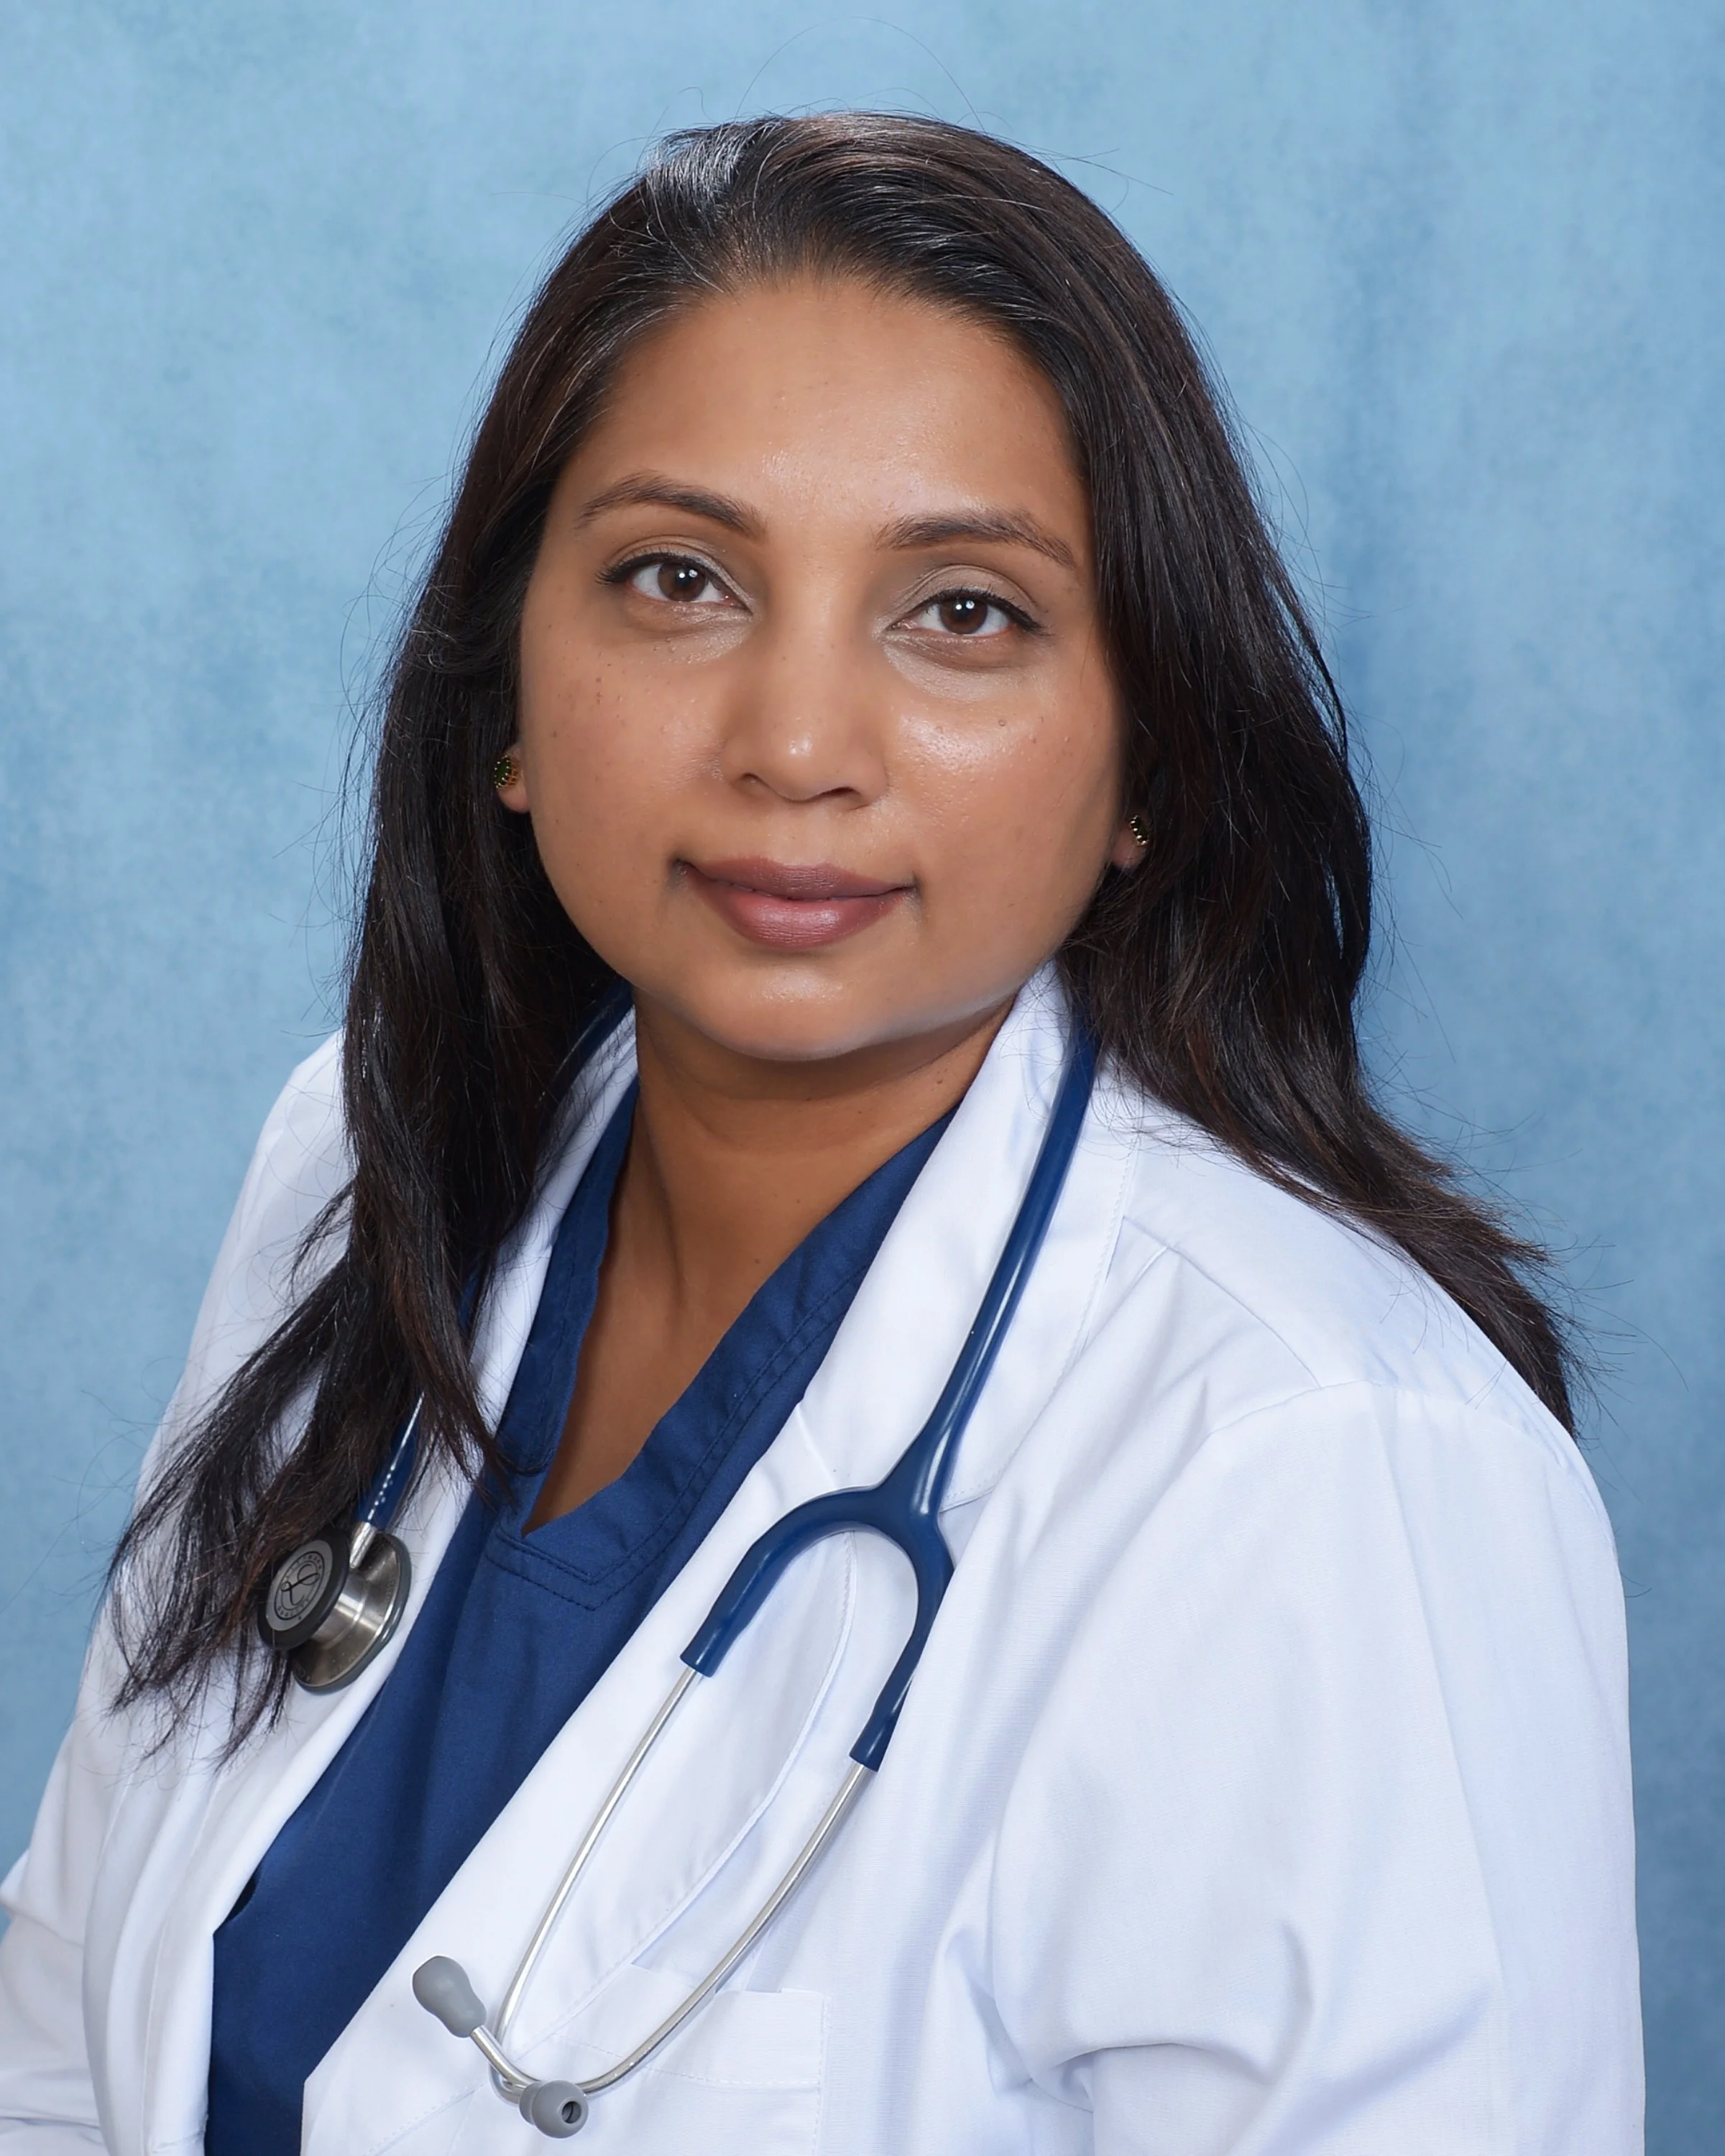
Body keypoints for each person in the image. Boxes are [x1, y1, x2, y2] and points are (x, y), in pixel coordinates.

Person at [0, 114, 1639, 2155]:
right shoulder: (361, 1163)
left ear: (1148, 757)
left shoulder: (1322, 1455)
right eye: (679, 580)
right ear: (505, 694)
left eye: (963, 613)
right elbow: (64, 2049)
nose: (795, 746)